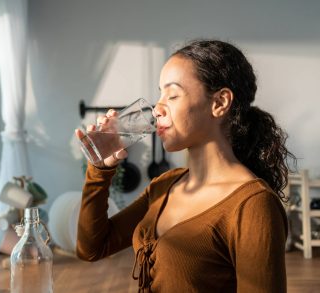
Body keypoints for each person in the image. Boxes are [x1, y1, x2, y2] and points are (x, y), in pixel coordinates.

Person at [75, 39, 296, 292]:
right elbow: (91, 247)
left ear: (220, 103)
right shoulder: (165, 186)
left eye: (172, 94)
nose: (157, 108)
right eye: (159, 93)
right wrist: (100, 169)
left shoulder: (252, 205)